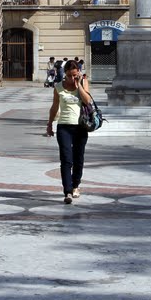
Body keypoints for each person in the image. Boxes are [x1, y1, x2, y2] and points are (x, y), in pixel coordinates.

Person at [47, 59, 93, 204]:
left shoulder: (83, 82)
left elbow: (88, 101)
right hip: (64, 127)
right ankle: (67, 191)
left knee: (79, 158)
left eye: (74, 75)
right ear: (64, 74)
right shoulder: (58, 87)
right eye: (69, 75)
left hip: (81, 126)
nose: (71, 78)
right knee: (66, 160)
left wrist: (78, 85)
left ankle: (75, 186)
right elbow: (54, 107)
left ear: (78, 73)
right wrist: (49, 124)